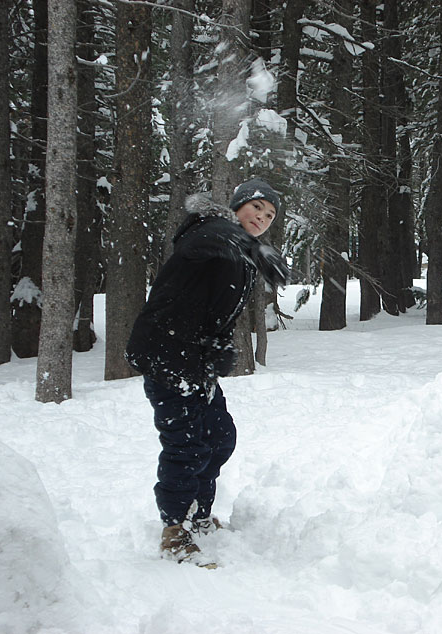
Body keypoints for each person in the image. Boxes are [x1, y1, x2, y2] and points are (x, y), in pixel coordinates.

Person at [126, 178, 288, 566]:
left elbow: (211, 308)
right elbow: (205, 243)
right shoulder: (209, 230)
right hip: (168, 356)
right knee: (186, 445)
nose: (261, 219)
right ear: (237, 206)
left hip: (194, 360)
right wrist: (248, 245)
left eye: (269, 217)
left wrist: (219, 348)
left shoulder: (236, 250)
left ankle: (199, 514)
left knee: (219, 437)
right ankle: (175, 532)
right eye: (256, 209)